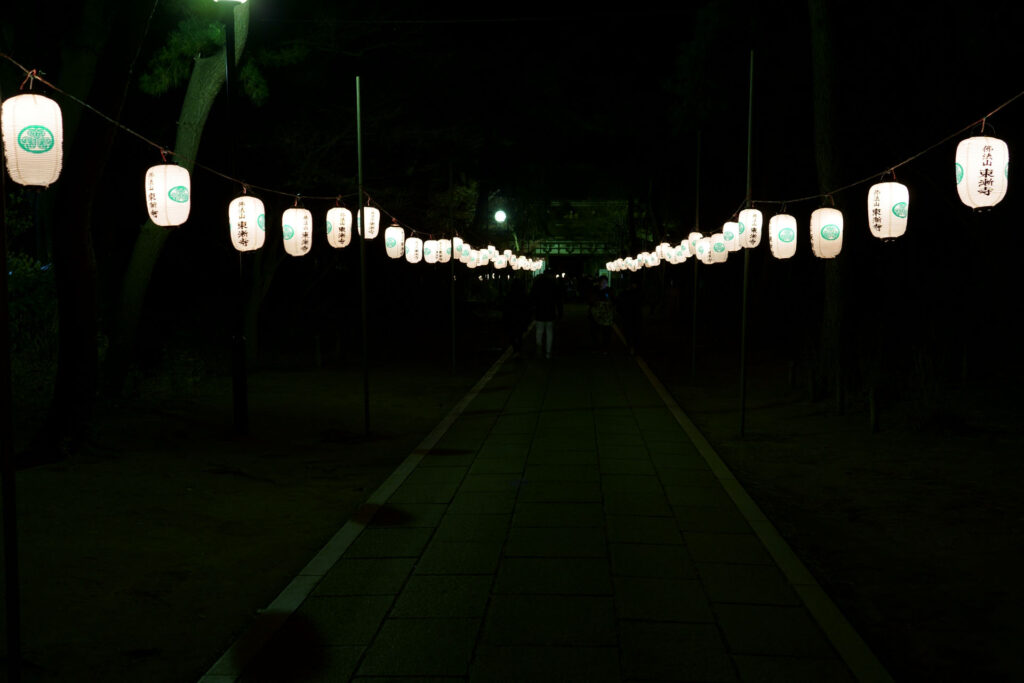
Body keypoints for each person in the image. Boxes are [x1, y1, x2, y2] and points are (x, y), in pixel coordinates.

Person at [529, 272, 563, 359]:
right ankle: (548, 352)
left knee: (539, 331)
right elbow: (558, 300)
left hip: (539, 312)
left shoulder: (536, 285)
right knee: (549, 332)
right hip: (550, 311)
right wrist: (560, 313)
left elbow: (532, 298)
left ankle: (539, 348)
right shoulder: (553, 285)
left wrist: (532, 310)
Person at [501, 279, 531, 356]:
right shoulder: (524, 295)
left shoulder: (509, 294)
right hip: (521, 318)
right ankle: (518, 350)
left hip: (511, 318)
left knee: (511, 335)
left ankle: (516, 349)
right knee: (519, 335)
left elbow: (505, 307)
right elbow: (528, 308)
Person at [588, 275, 614, 351]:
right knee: (594, 331)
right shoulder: (594, 290)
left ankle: (605, 347)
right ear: (599, 283)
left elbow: (613, 301)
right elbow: (590, 300)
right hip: (595, 315)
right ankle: (596, 346)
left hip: (606, 316)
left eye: (605, 283)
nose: (603, 284)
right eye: (602, 282)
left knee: (606, 332)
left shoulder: (609, 290)